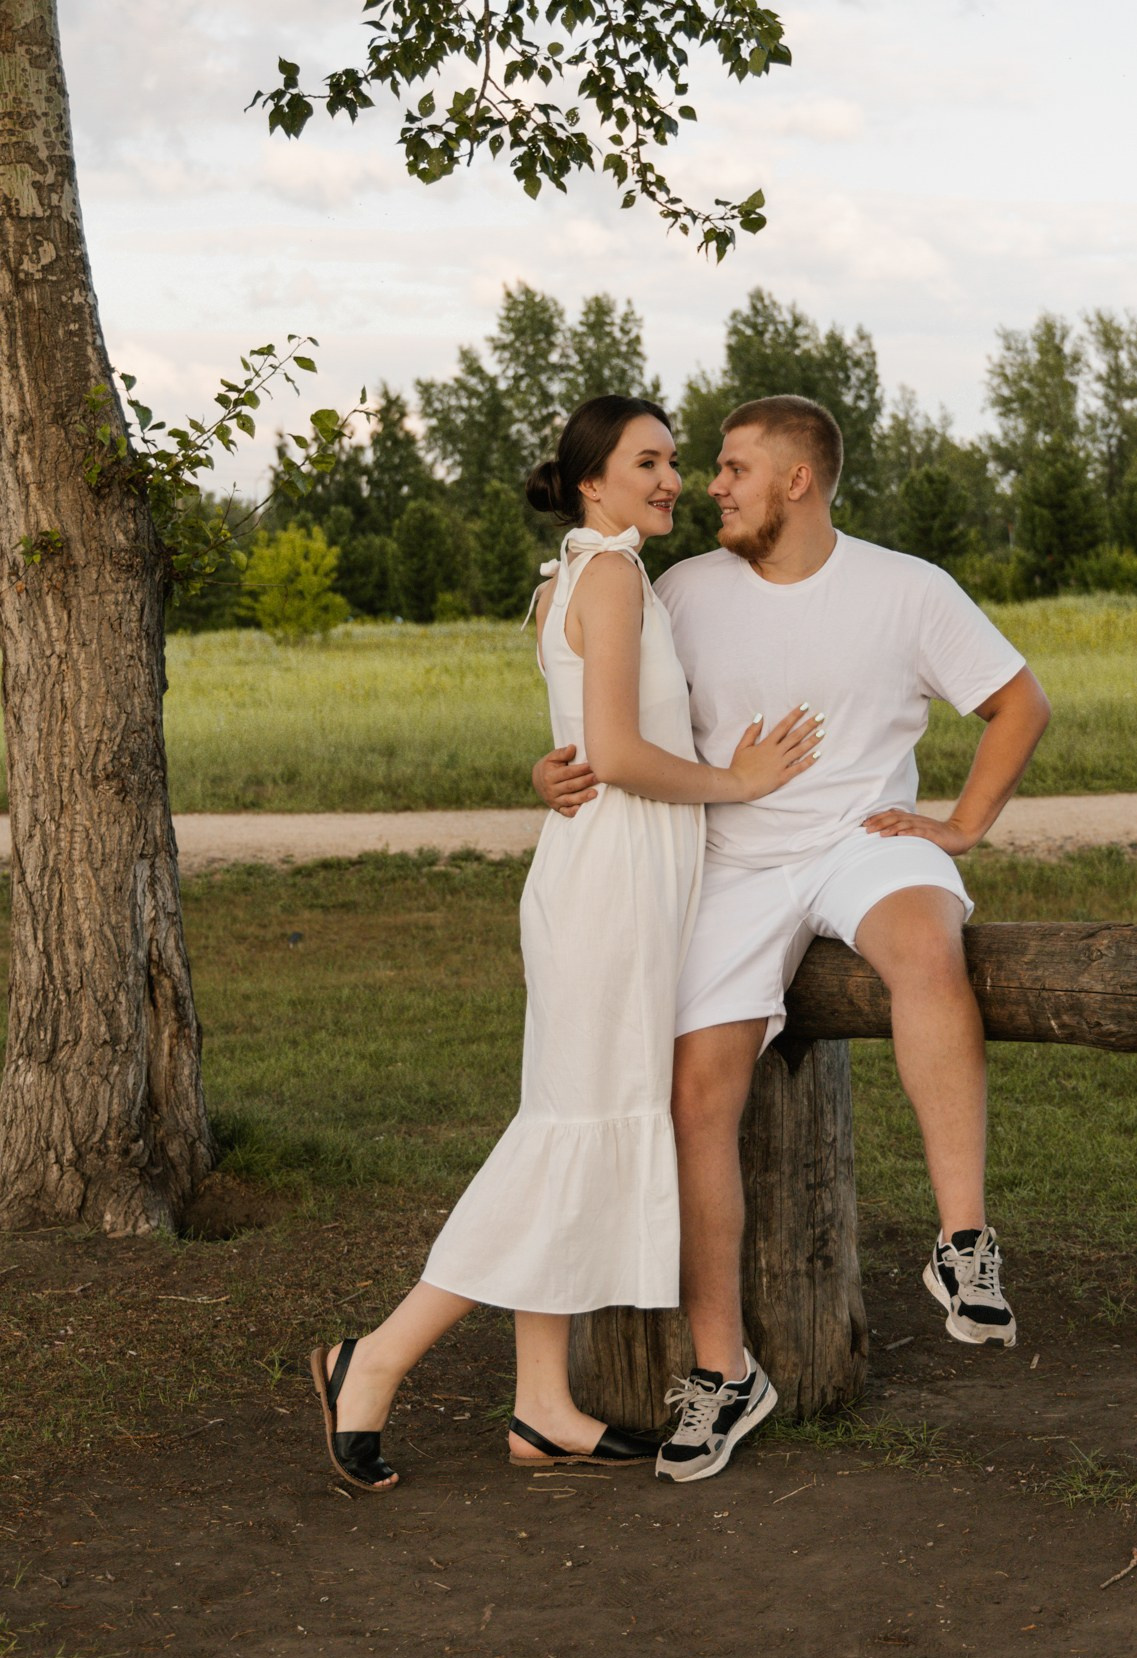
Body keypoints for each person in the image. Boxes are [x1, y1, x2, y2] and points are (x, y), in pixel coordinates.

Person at [535, 393, 1051, 1484]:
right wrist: (555, 766)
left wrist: (959, 826)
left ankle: (964, 1247)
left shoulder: (907, 588)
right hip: (732, 862)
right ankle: (722, 1371)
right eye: (701, 468)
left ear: (798, 480)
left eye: (729, 468)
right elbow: (607, 707)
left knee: (924, 946)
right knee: (697, 1094)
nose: (705, 485)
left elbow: (1020, 703)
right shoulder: (679, 589)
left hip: (865, 837)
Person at [310, 395, 823, 1491]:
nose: (673, 477)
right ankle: (375, 1357)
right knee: (564, 1132)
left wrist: (561, 769)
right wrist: (736, 779)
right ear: (593, 477)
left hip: (607, 878)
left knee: (575, 1127)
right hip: (609, 889)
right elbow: (623, 754)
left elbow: (577, 750)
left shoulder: (570, 577)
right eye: (650, 460)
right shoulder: (612, 578)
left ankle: (543, 1404)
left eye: (676, 461)